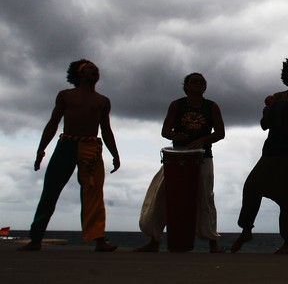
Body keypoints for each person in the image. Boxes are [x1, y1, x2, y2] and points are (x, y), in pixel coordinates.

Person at [19, 60, 120, 252]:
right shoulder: (65, 96)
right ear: (79, 73)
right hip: (66, 145)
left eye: (97, 69)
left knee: (94, 194)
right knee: (50, 190)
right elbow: (53, 123)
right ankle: (35, 239)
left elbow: (106, 129)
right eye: (90, 68)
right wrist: (41, 149)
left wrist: (115, 154)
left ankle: (100, 240)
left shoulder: (103, 101)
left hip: (91, 148)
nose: (96, 71)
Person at [231, 57, 288, 254]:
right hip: (272, 149)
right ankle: (247, 230)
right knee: (252, 186)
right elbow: (264, 125)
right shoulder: (277, 97)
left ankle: (287, 243)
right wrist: (271, 111)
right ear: (287, 75)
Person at [134, 73, 225, 253]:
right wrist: (175, 136)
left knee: (205, 197)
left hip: (203, 157)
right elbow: (165, 130)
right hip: (177, 157)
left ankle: (213, 243)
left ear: (205, 87)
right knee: (163, 196)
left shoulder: (211, 107)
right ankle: (154, 240)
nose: (198, 84)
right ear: (186, 86)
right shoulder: (177, 105)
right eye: (194, 81)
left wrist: (203, 140)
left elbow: (220, 133)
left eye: (201, 82)